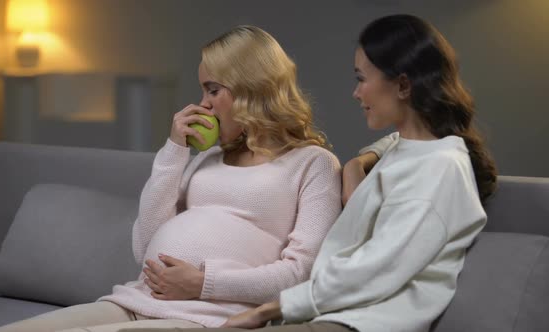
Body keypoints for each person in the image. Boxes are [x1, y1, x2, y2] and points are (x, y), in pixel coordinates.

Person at [145, 14, 498, 332]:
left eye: (362, 79)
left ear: (403, 86)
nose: (356, 92)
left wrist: (267, 310)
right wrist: (357, 165)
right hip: (328, 313)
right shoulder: (413, 149)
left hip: (363, 321)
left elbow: (375, 271)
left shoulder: (440, 169)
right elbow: (406, 145)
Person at [0, 26, 345, 332]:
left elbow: (301, 273)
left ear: (251, 89)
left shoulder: (313, 164)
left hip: (206, 318)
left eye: (213, 90)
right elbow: (144, 246)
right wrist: (175, 150)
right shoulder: (208, 157)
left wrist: (203, 283)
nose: (202, 105)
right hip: (134, 301)